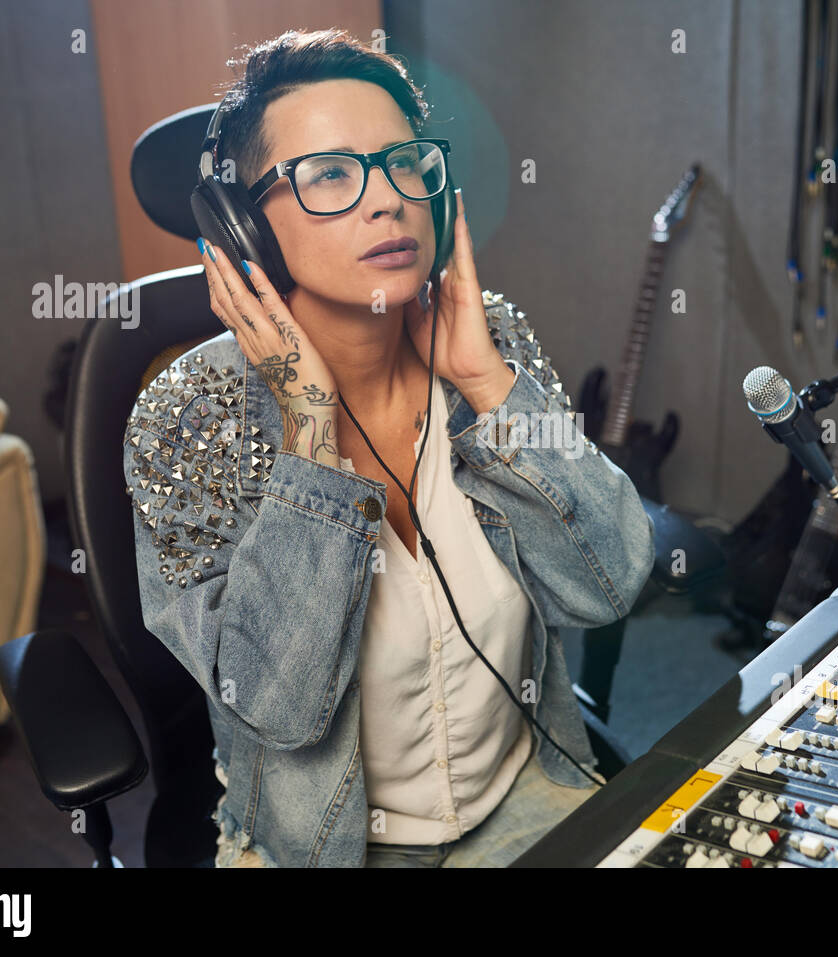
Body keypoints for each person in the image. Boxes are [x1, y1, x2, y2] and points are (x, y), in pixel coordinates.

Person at [122, 28, 654, 867]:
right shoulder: (191, 416)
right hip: (326, 845)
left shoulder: (489, 339)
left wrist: (485, 382)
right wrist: (307, 427)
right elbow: (276, 705)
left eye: (406, 163)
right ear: (244, 230)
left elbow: (609, 580)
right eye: (329, 173)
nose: (387, 199)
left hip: (526, 793)